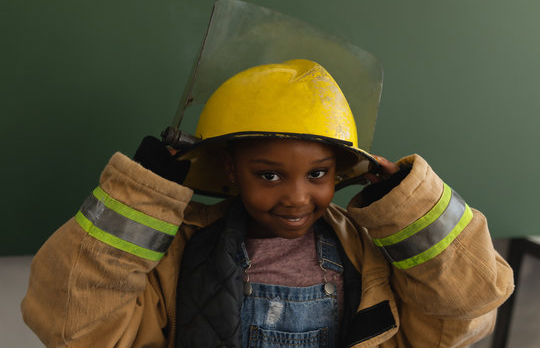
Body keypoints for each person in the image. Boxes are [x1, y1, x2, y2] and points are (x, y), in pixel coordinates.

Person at [21, 59, 513, 347]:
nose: (297, 197)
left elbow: (465, 316)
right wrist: (141, 194)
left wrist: (411, 208)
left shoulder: (368, 252)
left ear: (340, 172)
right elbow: (73, 326)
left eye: (318, 173)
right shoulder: (179, 250)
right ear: (231, 170)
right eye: (269, 174)